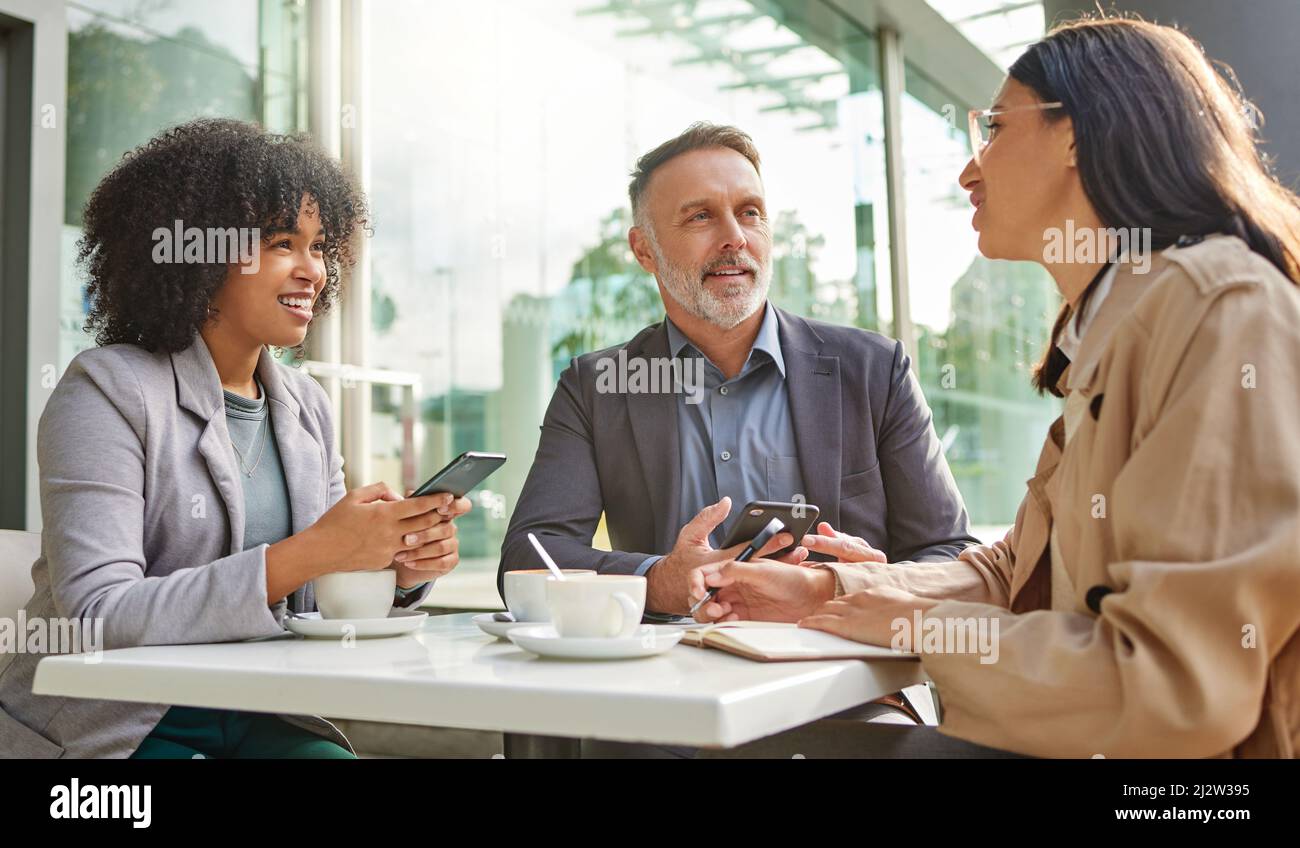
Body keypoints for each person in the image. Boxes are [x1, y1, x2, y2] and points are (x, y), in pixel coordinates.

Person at [691, 15, 1300, 758]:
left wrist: (915, 626)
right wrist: (830, 594)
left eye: (996, 130)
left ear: (1075, 135)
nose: (968, 170)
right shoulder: (1118, 325)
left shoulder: (1220, 311)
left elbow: (1172, 687)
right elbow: (1017, 570)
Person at [0, 119, 470, 759]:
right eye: (284, 243)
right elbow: (97, 614)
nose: (315, 272)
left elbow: (316, 608)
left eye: (321, 248)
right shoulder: (107, 390)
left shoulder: (305, 406)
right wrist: (314, 551)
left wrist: (397, 569)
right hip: (119, 725)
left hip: (261, 715)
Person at [500, 123, 976, 623]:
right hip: (666, 686)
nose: (734, 237)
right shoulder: (596, 387)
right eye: (701, 216)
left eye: (750, 213)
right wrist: (662, 580)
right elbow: (530, 557)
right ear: (645, 251)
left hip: (844, 689)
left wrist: (841, 587)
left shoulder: (876, 371)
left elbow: (953, 558)